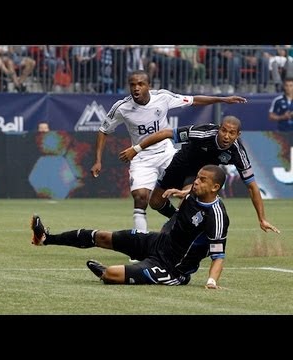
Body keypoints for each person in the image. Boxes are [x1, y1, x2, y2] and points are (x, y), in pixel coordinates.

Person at [91, 69, 247, 234]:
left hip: (166, 152)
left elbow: (194, 100)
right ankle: (141, 244)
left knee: (191, 191)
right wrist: (98, 160)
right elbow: (103, 130)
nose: (136, 88)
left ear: (148, 86)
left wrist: (223, 99)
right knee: (141, 197)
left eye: (141, 84)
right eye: (133, 85)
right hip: (142, 157)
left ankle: (197, 228)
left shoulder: (163, 97)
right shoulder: (122, 108)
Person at [31, 165, 230, 289]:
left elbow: (218, 256)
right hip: (158, 242)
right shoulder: (194, 193)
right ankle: (46, 239)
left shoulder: (217, 216)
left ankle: (106, 273)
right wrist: (181, 192)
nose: (196, 182)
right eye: (197, 177)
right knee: (103, 237)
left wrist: (211, 282)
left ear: (214, 187)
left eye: (202, 180)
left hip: (171, 268)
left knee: (112, 274)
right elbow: (188, 196)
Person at [122, 115, 280, 234]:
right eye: (224, 130)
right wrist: (136, 149)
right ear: (219, 128)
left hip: (200, 175)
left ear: (238, 135)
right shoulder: (202, 133)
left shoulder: (237, 153)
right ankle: (176, 218)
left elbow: (252, 187)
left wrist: (262, 218)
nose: (226, 136)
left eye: (231, 133)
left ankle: (173, 232)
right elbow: (165, 133)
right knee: (155, 202)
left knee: (187, 199)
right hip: (179, 164)